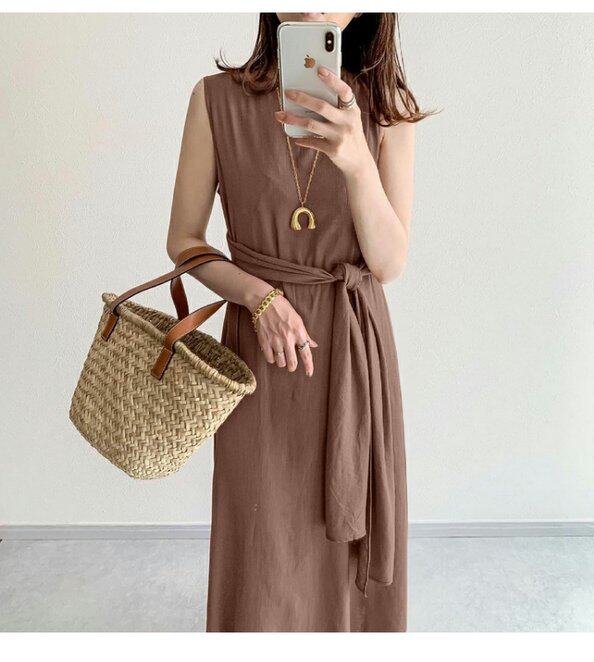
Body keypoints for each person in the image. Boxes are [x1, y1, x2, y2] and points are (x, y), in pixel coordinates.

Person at [166, 12, 426, 632]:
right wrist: (257, 297)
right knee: (261, 539)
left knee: (343, 548)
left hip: (352, 353)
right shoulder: (214, 100)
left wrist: (358, 162)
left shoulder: (388, 110)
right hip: (257, 358)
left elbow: (388, 263)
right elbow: (184, 241)